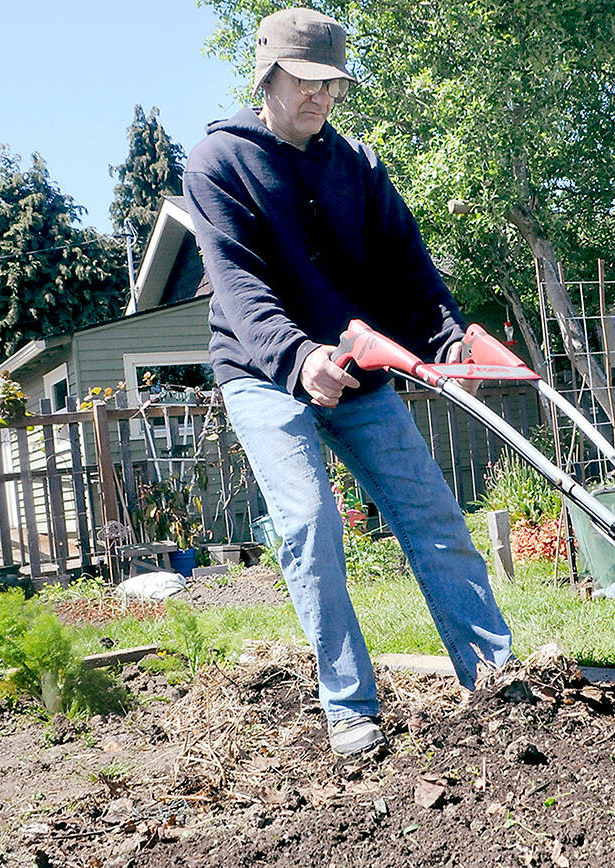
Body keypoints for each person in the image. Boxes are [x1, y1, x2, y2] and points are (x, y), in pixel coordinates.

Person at [183, 7, 514, 757]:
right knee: (309, 525)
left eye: (332, 85)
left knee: (432, 515)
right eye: (305, 82)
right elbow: (239, 286)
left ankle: (494, 678)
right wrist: (298, 358)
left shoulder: (358, 166)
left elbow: (408, 269)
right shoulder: (217, 162)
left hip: (358, 370)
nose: (320, 98)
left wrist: (449, 338)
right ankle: (349, 707)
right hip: (266, 373)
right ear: (266, 75)